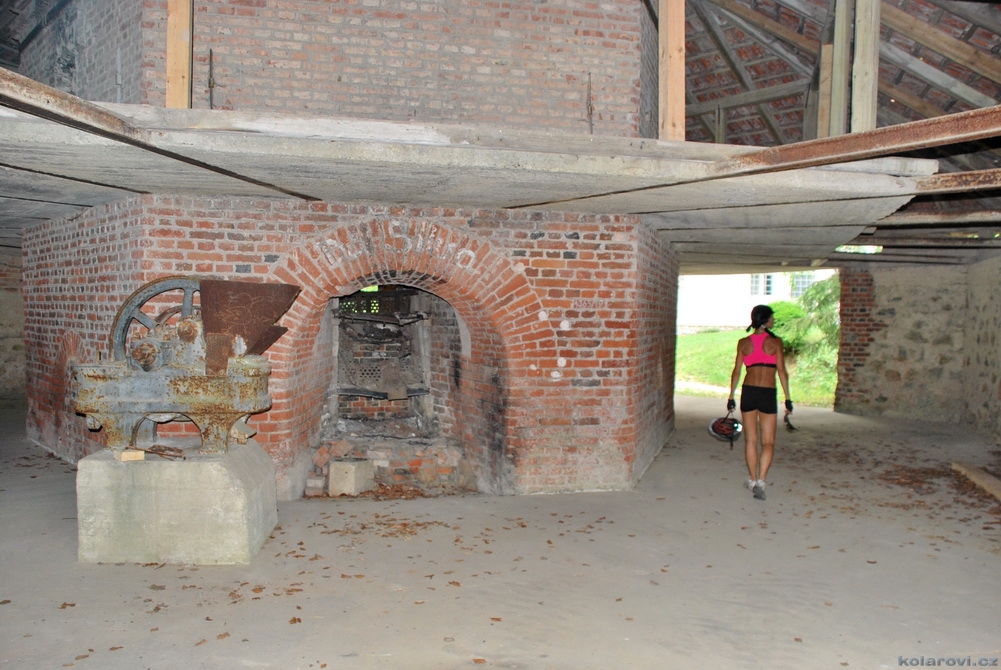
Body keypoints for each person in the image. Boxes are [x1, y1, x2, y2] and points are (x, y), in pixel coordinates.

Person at [727, 305, 792, 501]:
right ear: (766, 319)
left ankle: (752, 479)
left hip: (748, 392)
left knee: (751, 440)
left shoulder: (743, 343)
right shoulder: (776, 342)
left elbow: (737, 371)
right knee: (768, 441)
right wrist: (788, 399)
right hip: (767, 393)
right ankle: (761, 481)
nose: (773, 320)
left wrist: (731, 396)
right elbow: (782, 372)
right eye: (772, 317)